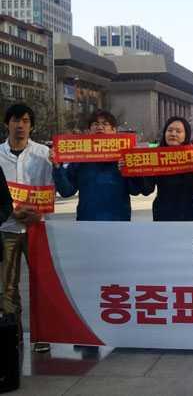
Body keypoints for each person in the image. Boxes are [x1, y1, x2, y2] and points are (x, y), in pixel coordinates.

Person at [0, 103, 53, 352]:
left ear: (31, 125)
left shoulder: (43, 153)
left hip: (37, 229)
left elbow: (50, 186)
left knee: (42, 284)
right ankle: (14, 336)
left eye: (25, 121)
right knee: (7, 286)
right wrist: (12, 212)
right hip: (6, 228)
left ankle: (42, 335)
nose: (20, 125)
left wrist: (39, 214)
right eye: (15, 120)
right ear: (7, 123)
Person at [49, 109, 139, 221]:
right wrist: (58, 168)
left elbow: (135, 191)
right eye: (95, 124)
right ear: (88, 130)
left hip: (118, 222)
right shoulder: (79, 158)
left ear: (114, 129)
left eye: (105, 124)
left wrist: (132, 169)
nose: (100, 127)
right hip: (87, 222)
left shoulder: (124, 157)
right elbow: (66, 191)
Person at [128, 116, 193, 221]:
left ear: (186, 135)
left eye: (178, 131)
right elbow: (147, 190)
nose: (173, 134)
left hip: (189, 215)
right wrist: (135, 170)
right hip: (163, 215)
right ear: (164, 133)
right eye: (169, 130)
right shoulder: (156, 157)